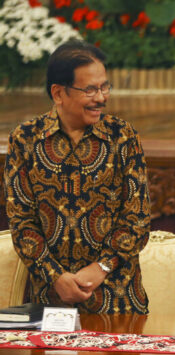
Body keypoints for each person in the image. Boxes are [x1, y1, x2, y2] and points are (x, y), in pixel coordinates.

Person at [4, 40, 151, 314]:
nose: (101, 98)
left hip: (118, 304)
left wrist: (101, 267)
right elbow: (22, 222)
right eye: (90, 89)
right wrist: (56, 277)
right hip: (49, 304)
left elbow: (137, 219)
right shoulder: (25, 139)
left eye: (104, 87)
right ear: (58, 93)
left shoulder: (123, 137)